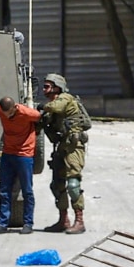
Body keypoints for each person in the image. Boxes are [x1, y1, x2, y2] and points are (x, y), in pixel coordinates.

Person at [40, 73, 91, 234]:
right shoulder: (51, 108)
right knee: (57, 185)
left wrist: (39, 107)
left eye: (47, 86)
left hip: (74, 146)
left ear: (57, 87)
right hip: (61, 147)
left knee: (73, 184)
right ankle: (63, 220)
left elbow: (56, 107)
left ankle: (80, 221)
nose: (44, 89)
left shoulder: (65, 98)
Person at [0, 96, 41, 235]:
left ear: (14, 107)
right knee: (4, 190)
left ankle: (28, 223)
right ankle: (2, 223)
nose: (6, 116)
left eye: (9, 113)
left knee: (27, 190)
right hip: (8, 153)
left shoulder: (28, 114)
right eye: (4, 113)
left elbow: (39, 118)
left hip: (24, 154)